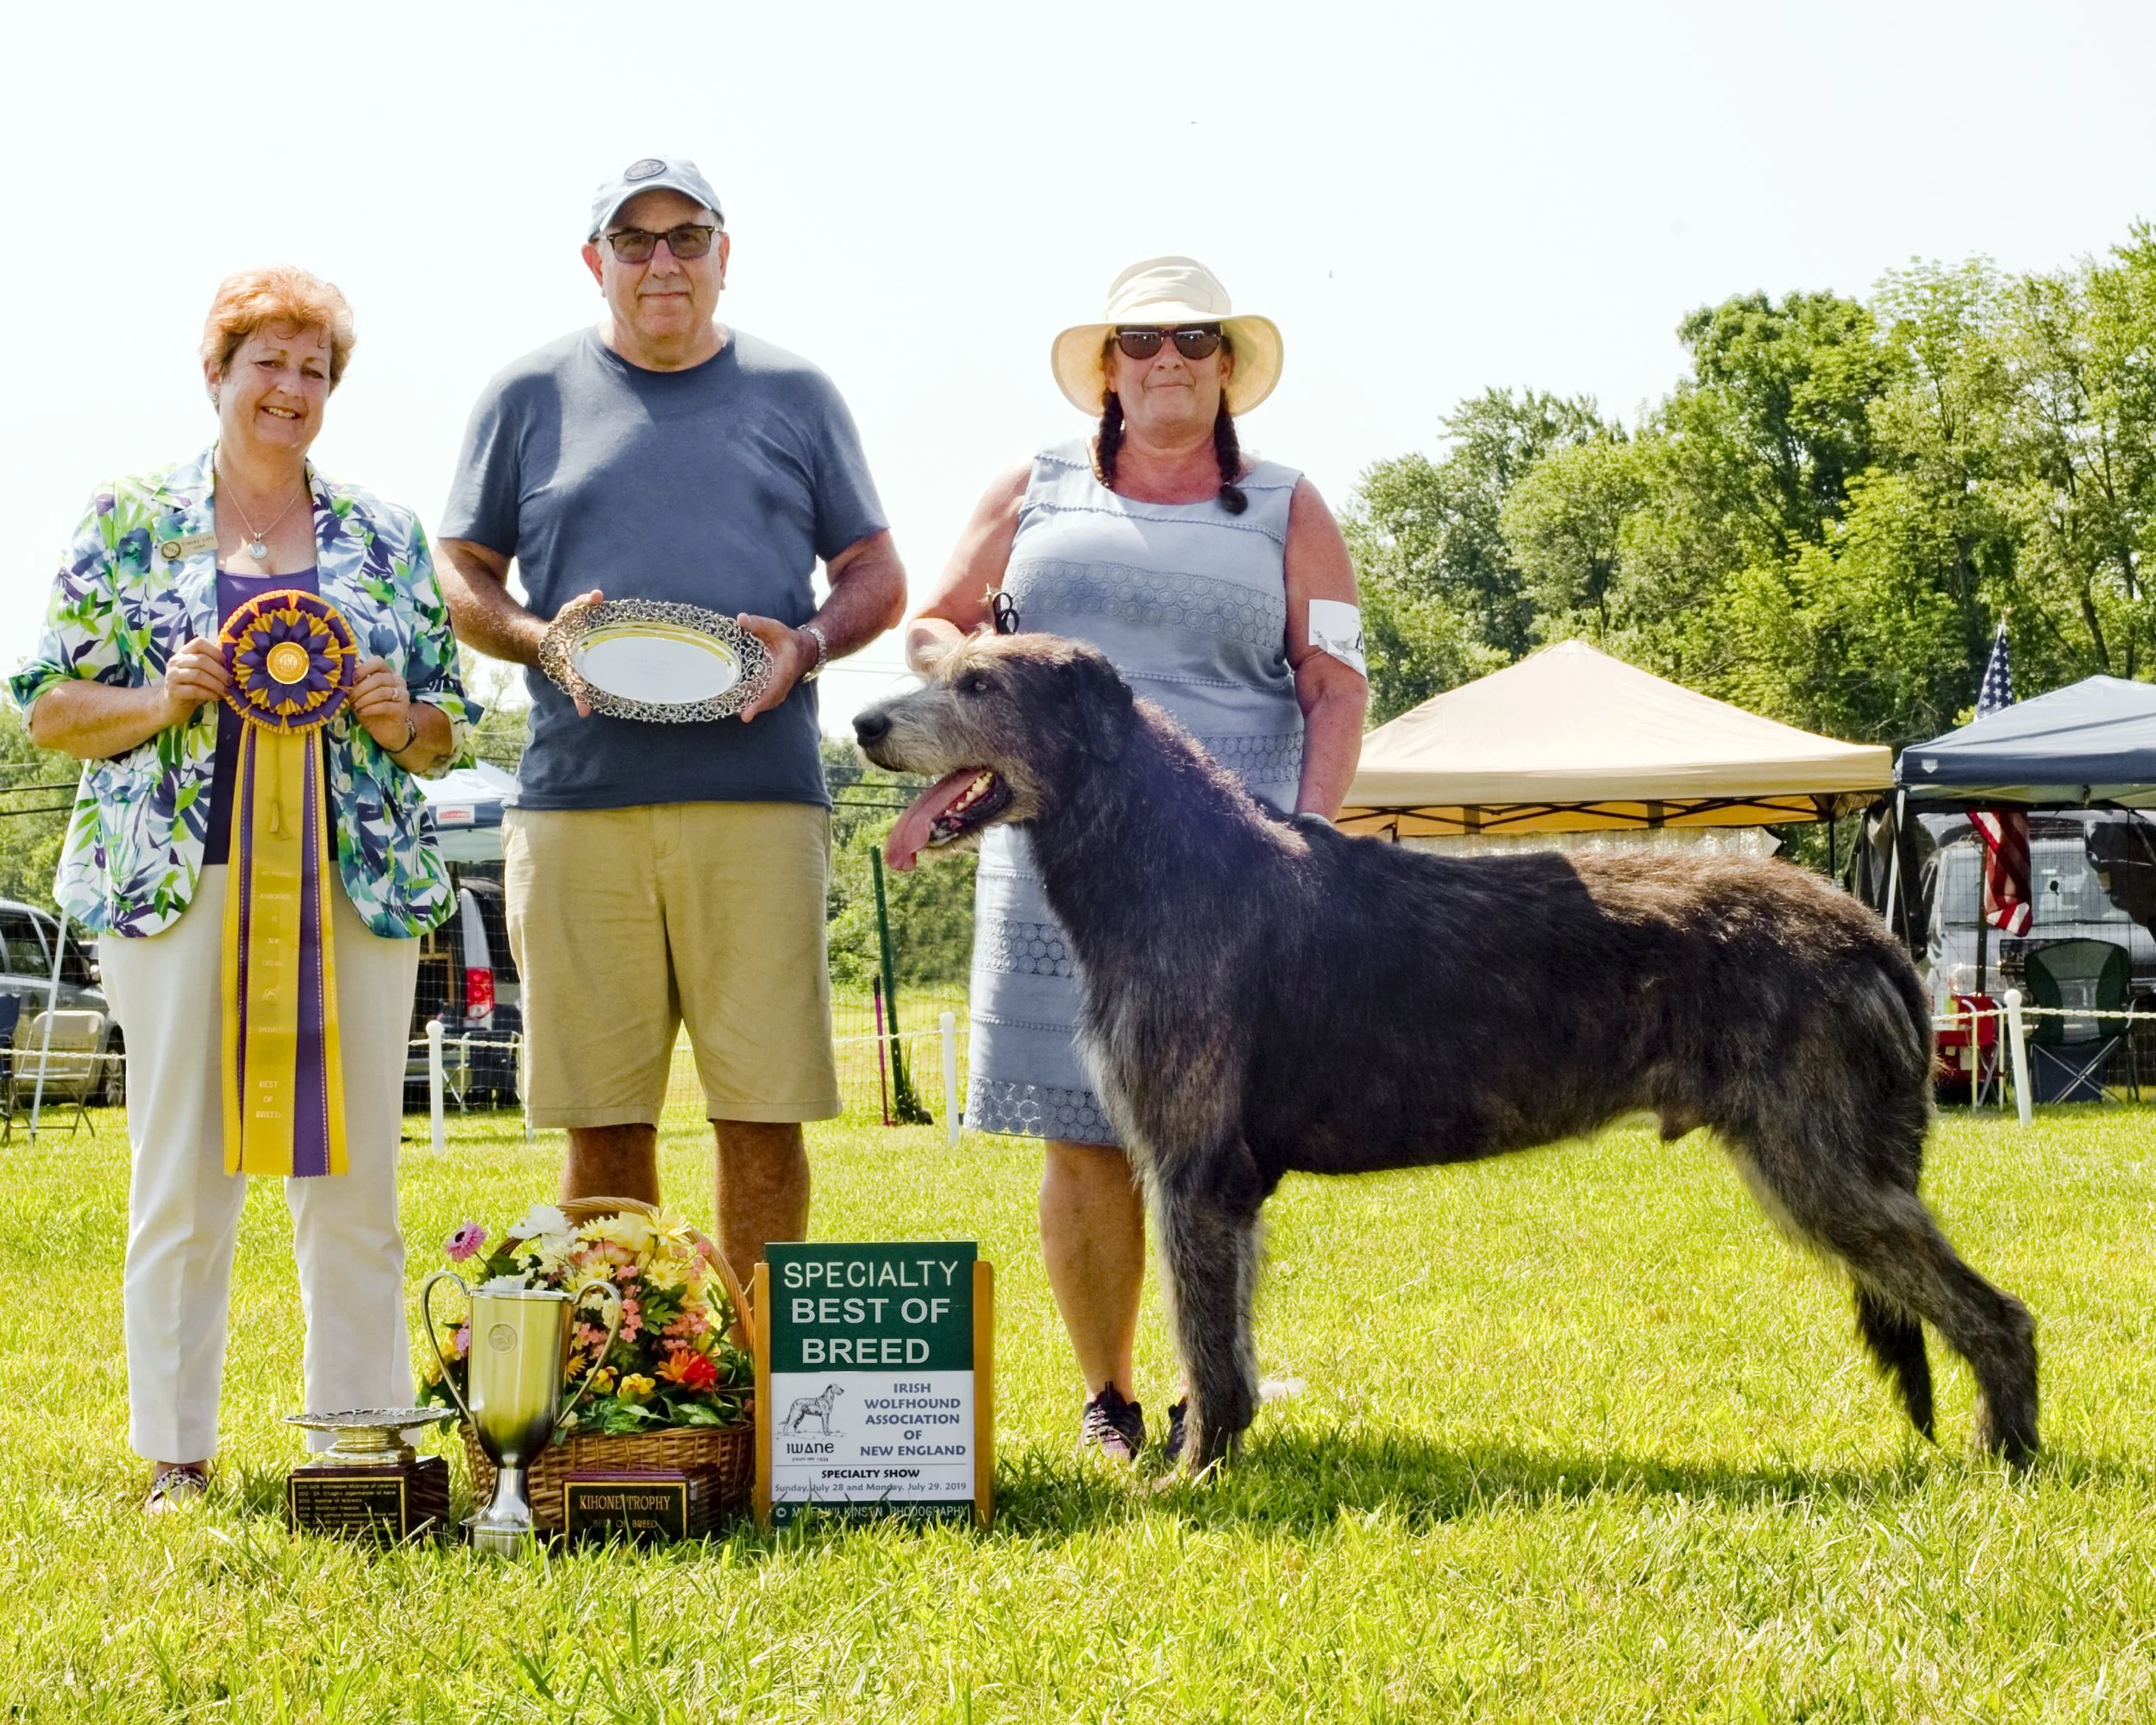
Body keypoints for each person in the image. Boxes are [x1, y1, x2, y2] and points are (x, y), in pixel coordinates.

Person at [14, 267, 476, 1509]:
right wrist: (160, 700)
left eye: (315, 369)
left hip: (354, 887)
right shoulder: (126, 517)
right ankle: (176, 1453)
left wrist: (402, 715)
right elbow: (50, 709)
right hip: (173, 888)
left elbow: (451, 721)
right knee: (181, 1172)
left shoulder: (382, 531)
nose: (292, 389)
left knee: (356, 1174)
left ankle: (359, 1437)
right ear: (214, 374)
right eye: (267, 363)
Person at [905, 257, 1369, 1462]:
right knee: (1083, 1129)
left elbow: (1333, 679)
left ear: (1228, 367)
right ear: (1106, 367)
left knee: (1213, 1135)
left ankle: (1206, 1395)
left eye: (1196, 339)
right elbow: (933, 620)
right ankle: (1108, 1399)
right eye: (1143, 340)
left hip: (1232, 879)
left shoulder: (1287, 503)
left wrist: (1312, 831)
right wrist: (969, 657)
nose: (1170, 359)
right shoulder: (1033, 486)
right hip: (1056, 855)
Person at [437, 156, 904, 1283]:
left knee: (762, 1119)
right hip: (575, 806)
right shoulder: (524, 395)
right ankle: (628, 1391)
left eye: (686, 238)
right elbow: (461, 573)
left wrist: (810, 643)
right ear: (595, 262)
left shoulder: (798, 394)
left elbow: (876, 572)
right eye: (635, 241)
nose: (662, 263)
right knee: (602, 1125)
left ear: (723, 256)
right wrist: (535, 635)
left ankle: (758, 1399)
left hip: (759, 804)